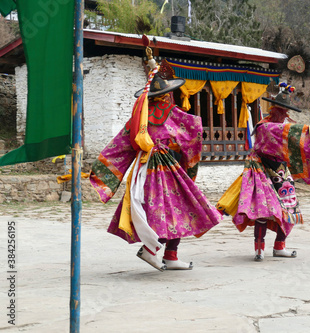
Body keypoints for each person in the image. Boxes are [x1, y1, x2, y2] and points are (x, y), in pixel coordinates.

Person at [90, 46, 221, 271]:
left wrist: (101, 174)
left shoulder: (138, 119)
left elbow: (120, 146)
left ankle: (169, 255)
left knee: (160, 211)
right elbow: (194, 132)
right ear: (168, 94)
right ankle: (152, 250)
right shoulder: (175, 115)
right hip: (169, 170)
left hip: (145, 171)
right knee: (178, 209)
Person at [217, 83, 310, 261]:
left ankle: (280, 245)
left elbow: (293, 141)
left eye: (285, 111)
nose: (282, 114)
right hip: (262, 171)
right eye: (280, 110)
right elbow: (279, 134)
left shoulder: (284, 126)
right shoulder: (265, 126)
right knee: (262, 212)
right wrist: (306, 132)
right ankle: (259, 249)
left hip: (282, 172)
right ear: (273, 109)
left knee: (289, 209)